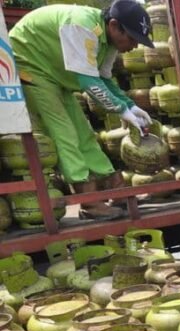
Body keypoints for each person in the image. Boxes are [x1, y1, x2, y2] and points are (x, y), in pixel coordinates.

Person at [10, 0, 155, 220]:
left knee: (83, 131)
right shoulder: (82, 26)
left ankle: (113, 187)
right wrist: (121, 110)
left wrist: (129, 105)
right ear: (114, 26)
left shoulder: (108, 41)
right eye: (133, 38)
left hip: (56, 72)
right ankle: (89, 202)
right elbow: (89, 83)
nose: (135, 46)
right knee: (64, 132)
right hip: (31, 67)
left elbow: (104, 79)